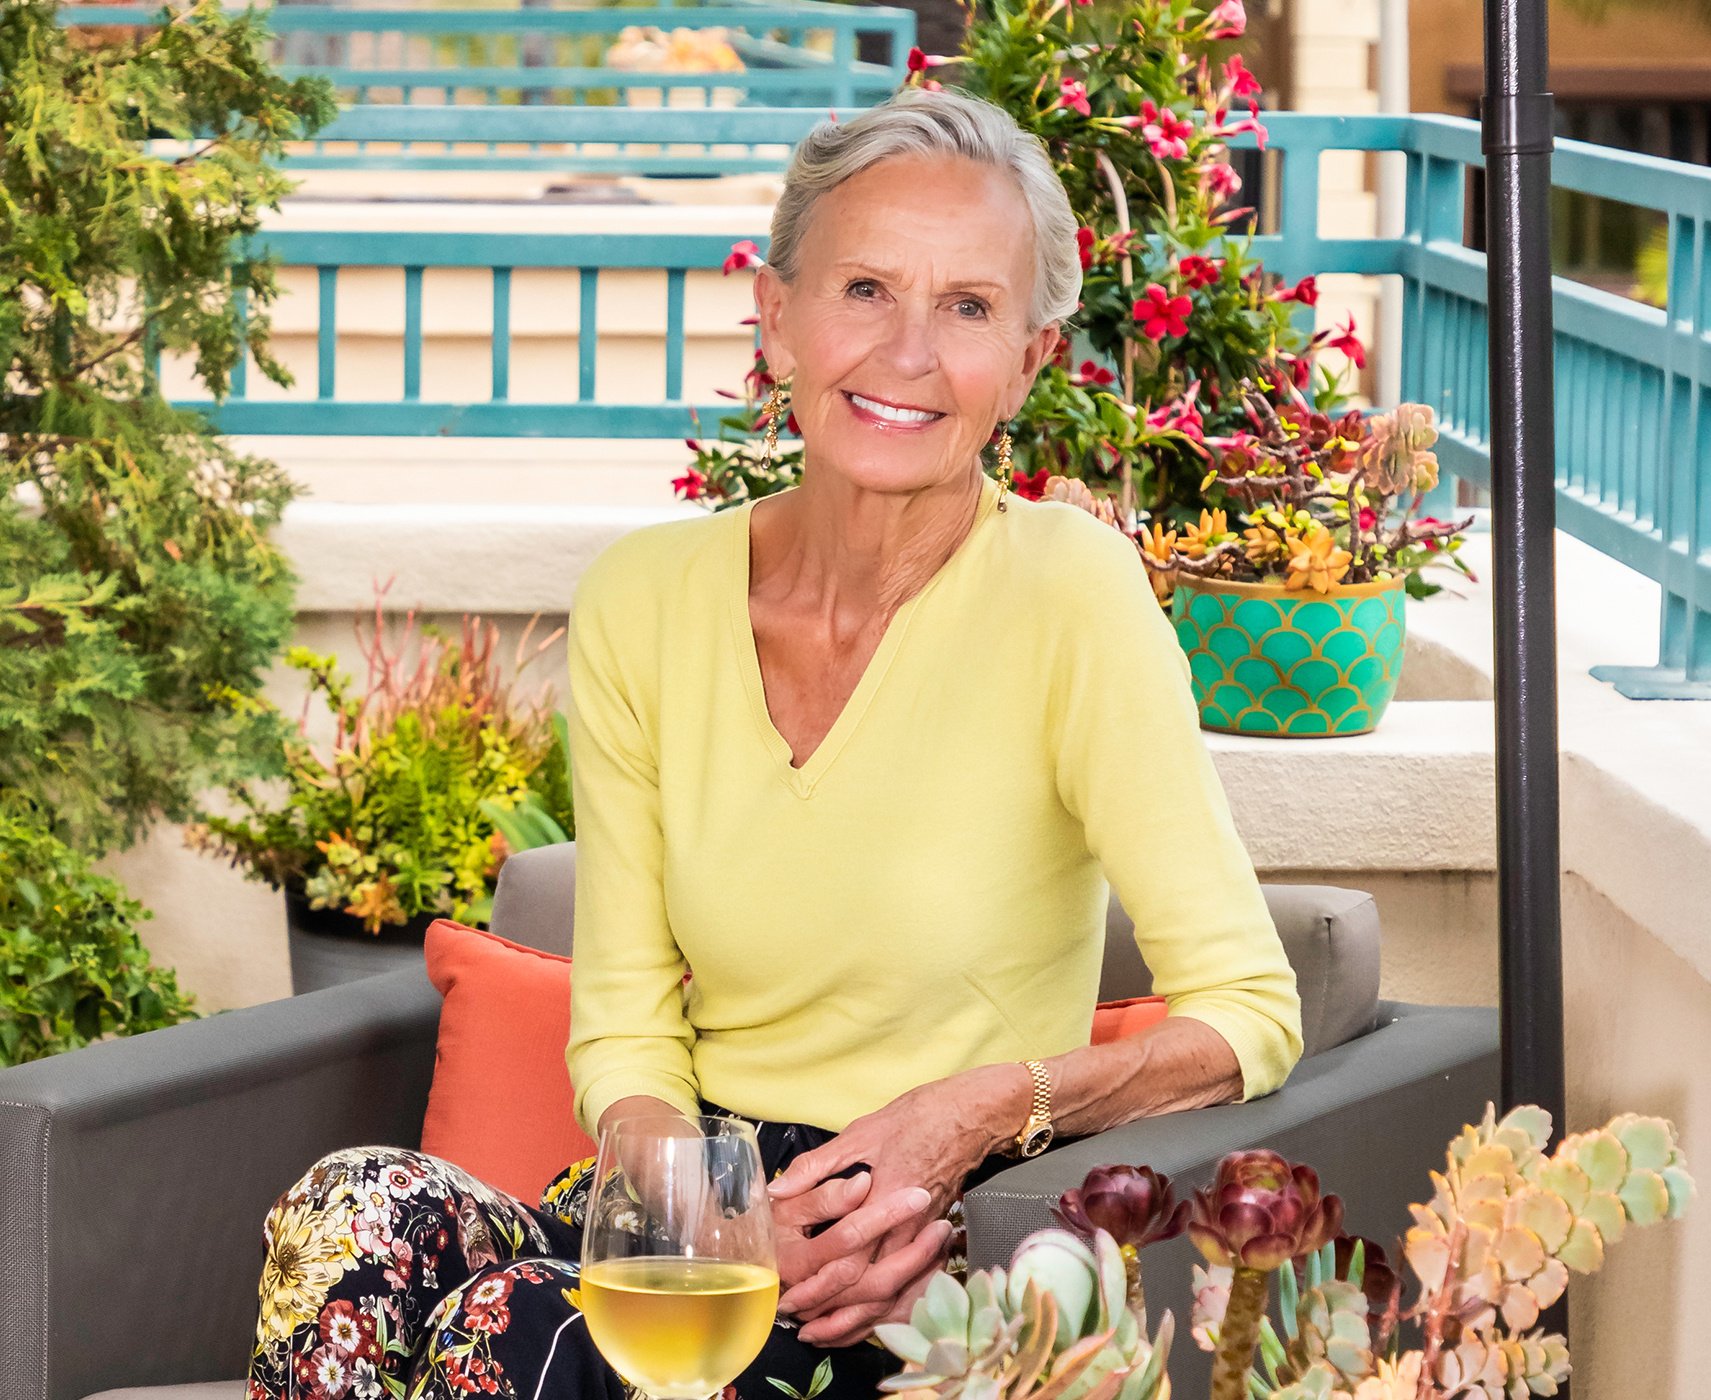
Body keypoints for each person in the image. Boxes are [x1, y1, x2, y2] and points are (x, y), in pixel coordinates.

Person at [246, 87, 1302, 1400]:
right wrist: (703, 1218)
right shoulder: (649, 599)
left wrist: (978, 1115)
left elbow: (1246, 1017)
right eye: (866, 288)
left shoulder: (1071, 597)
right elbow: (627, 1034)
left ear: (1028, 363)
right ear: (778, 314)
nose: (907, 351)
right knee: (351, 1216)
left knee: (512, 1327)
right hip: (686, 1195)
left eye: (968, 307)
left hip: (904, 1246)